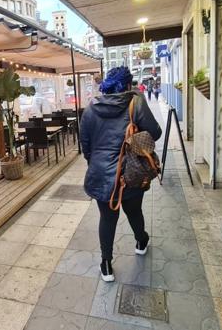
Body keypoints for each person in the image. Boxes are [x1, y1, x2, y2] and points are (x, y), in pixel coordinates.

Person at [80, 66, 162, 282]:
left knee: (107, 218)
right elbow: (155, 133)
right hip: (132, 172)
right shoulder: (136, 103)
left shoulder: (90, 108)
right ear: (127, 84)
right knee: (134, 210)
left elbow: (85, 147)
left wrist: (97, 163)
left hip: (99, 174)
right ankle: (141, 241)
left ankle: (106, 264)